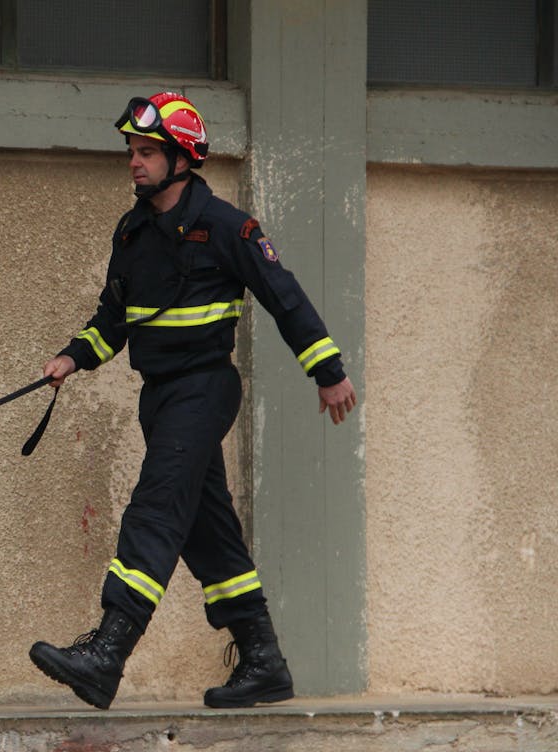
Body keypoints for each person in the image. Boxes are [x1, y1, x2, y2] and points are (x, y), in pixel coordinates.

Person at [28, 91, 357, 710]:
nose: (134, 161)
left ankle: (108, 652)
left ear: (183, 159)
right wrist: (73, 356)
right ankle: (264, 661)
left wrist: (327, 370)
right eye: (131, 150)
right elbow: (113, 318)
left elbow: (283, 296)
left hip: (204, 390)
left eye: (147, 151)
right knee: (209, 534)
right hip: (161, 397)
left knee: (156, 506)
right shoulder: (132, 234)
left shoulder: (228, 227)